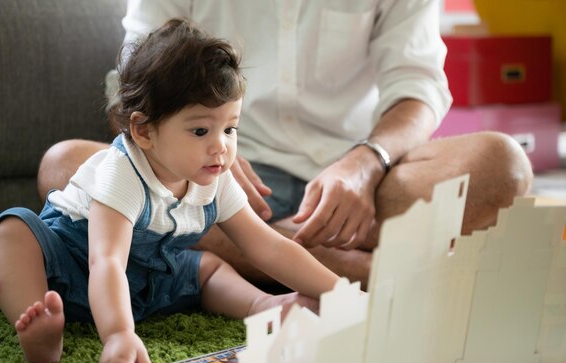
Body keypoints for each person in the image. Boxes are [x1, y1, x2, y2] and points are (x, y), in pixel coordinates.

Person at [38, 1, 533, 286]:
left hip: (362, 186)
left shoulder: (366, 169)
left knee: (504, 164)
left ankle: (257, 253)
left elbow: (419, 89)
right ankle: (356, 270)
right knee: (65, 168)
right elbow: (127, 80)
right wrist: (207, 151)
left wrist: (367, 162)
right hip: (208, 179)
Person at [0, 18, 340, 363]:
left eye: (230, 128)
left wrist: (341, 295)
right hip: (68, 271)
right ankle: (38, 319)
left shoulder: (214, 175)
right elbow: (106, 260)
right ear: (144, 131)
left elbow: (269, 247)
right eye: (201, 130)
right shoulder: (122, 172)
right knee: (12, 229)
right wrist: (120, 333)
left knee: (207, 267)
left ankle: (260, 303)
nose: (221, 145)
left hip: (149, 280)